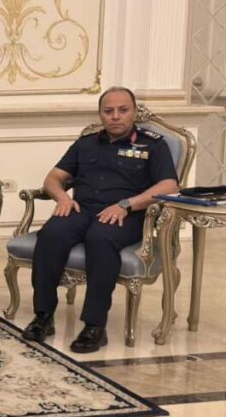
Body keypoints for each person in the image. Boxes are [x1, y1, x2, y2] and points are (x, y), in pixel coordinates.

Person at [24, 86, 179, 352]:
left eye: (123, 110)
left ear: (133, 112)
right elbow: (53, 177)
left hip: (126, 215)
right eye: (108, 111)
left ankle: (95, 326)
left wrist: (127, 204)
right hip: (82, 209)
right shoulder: (86, 143)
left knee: (100, 238)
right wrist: (62, 198)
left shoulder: (153, 145)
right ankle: (43, 317)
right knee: (51, 233)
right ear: (100, 114)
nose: (115, 116)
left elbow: (168, 185)